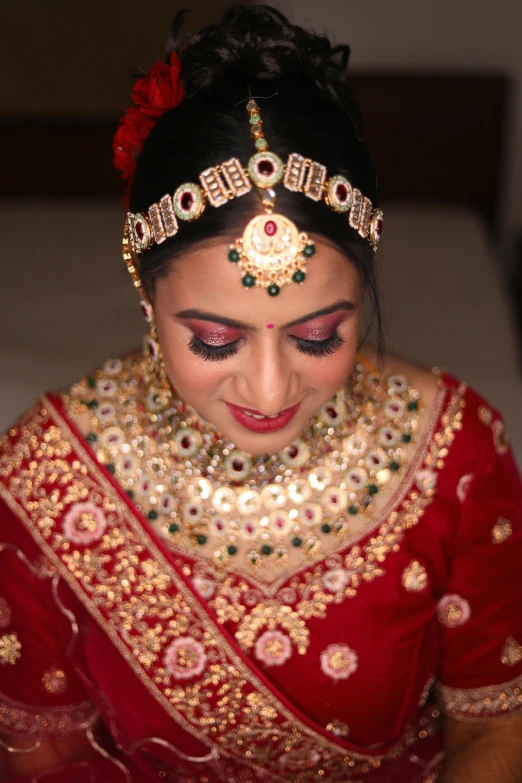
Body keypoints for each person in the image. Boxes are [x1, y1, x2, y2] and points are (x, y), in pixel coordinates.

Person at [0, 5, 521, 782]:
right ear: (147, 293)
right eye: (215, 339)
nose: (271, 388)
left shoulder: (458, 453)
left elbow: (493, 727)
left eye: (319, 336)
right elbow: (45, 755)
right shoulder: (46, 476)